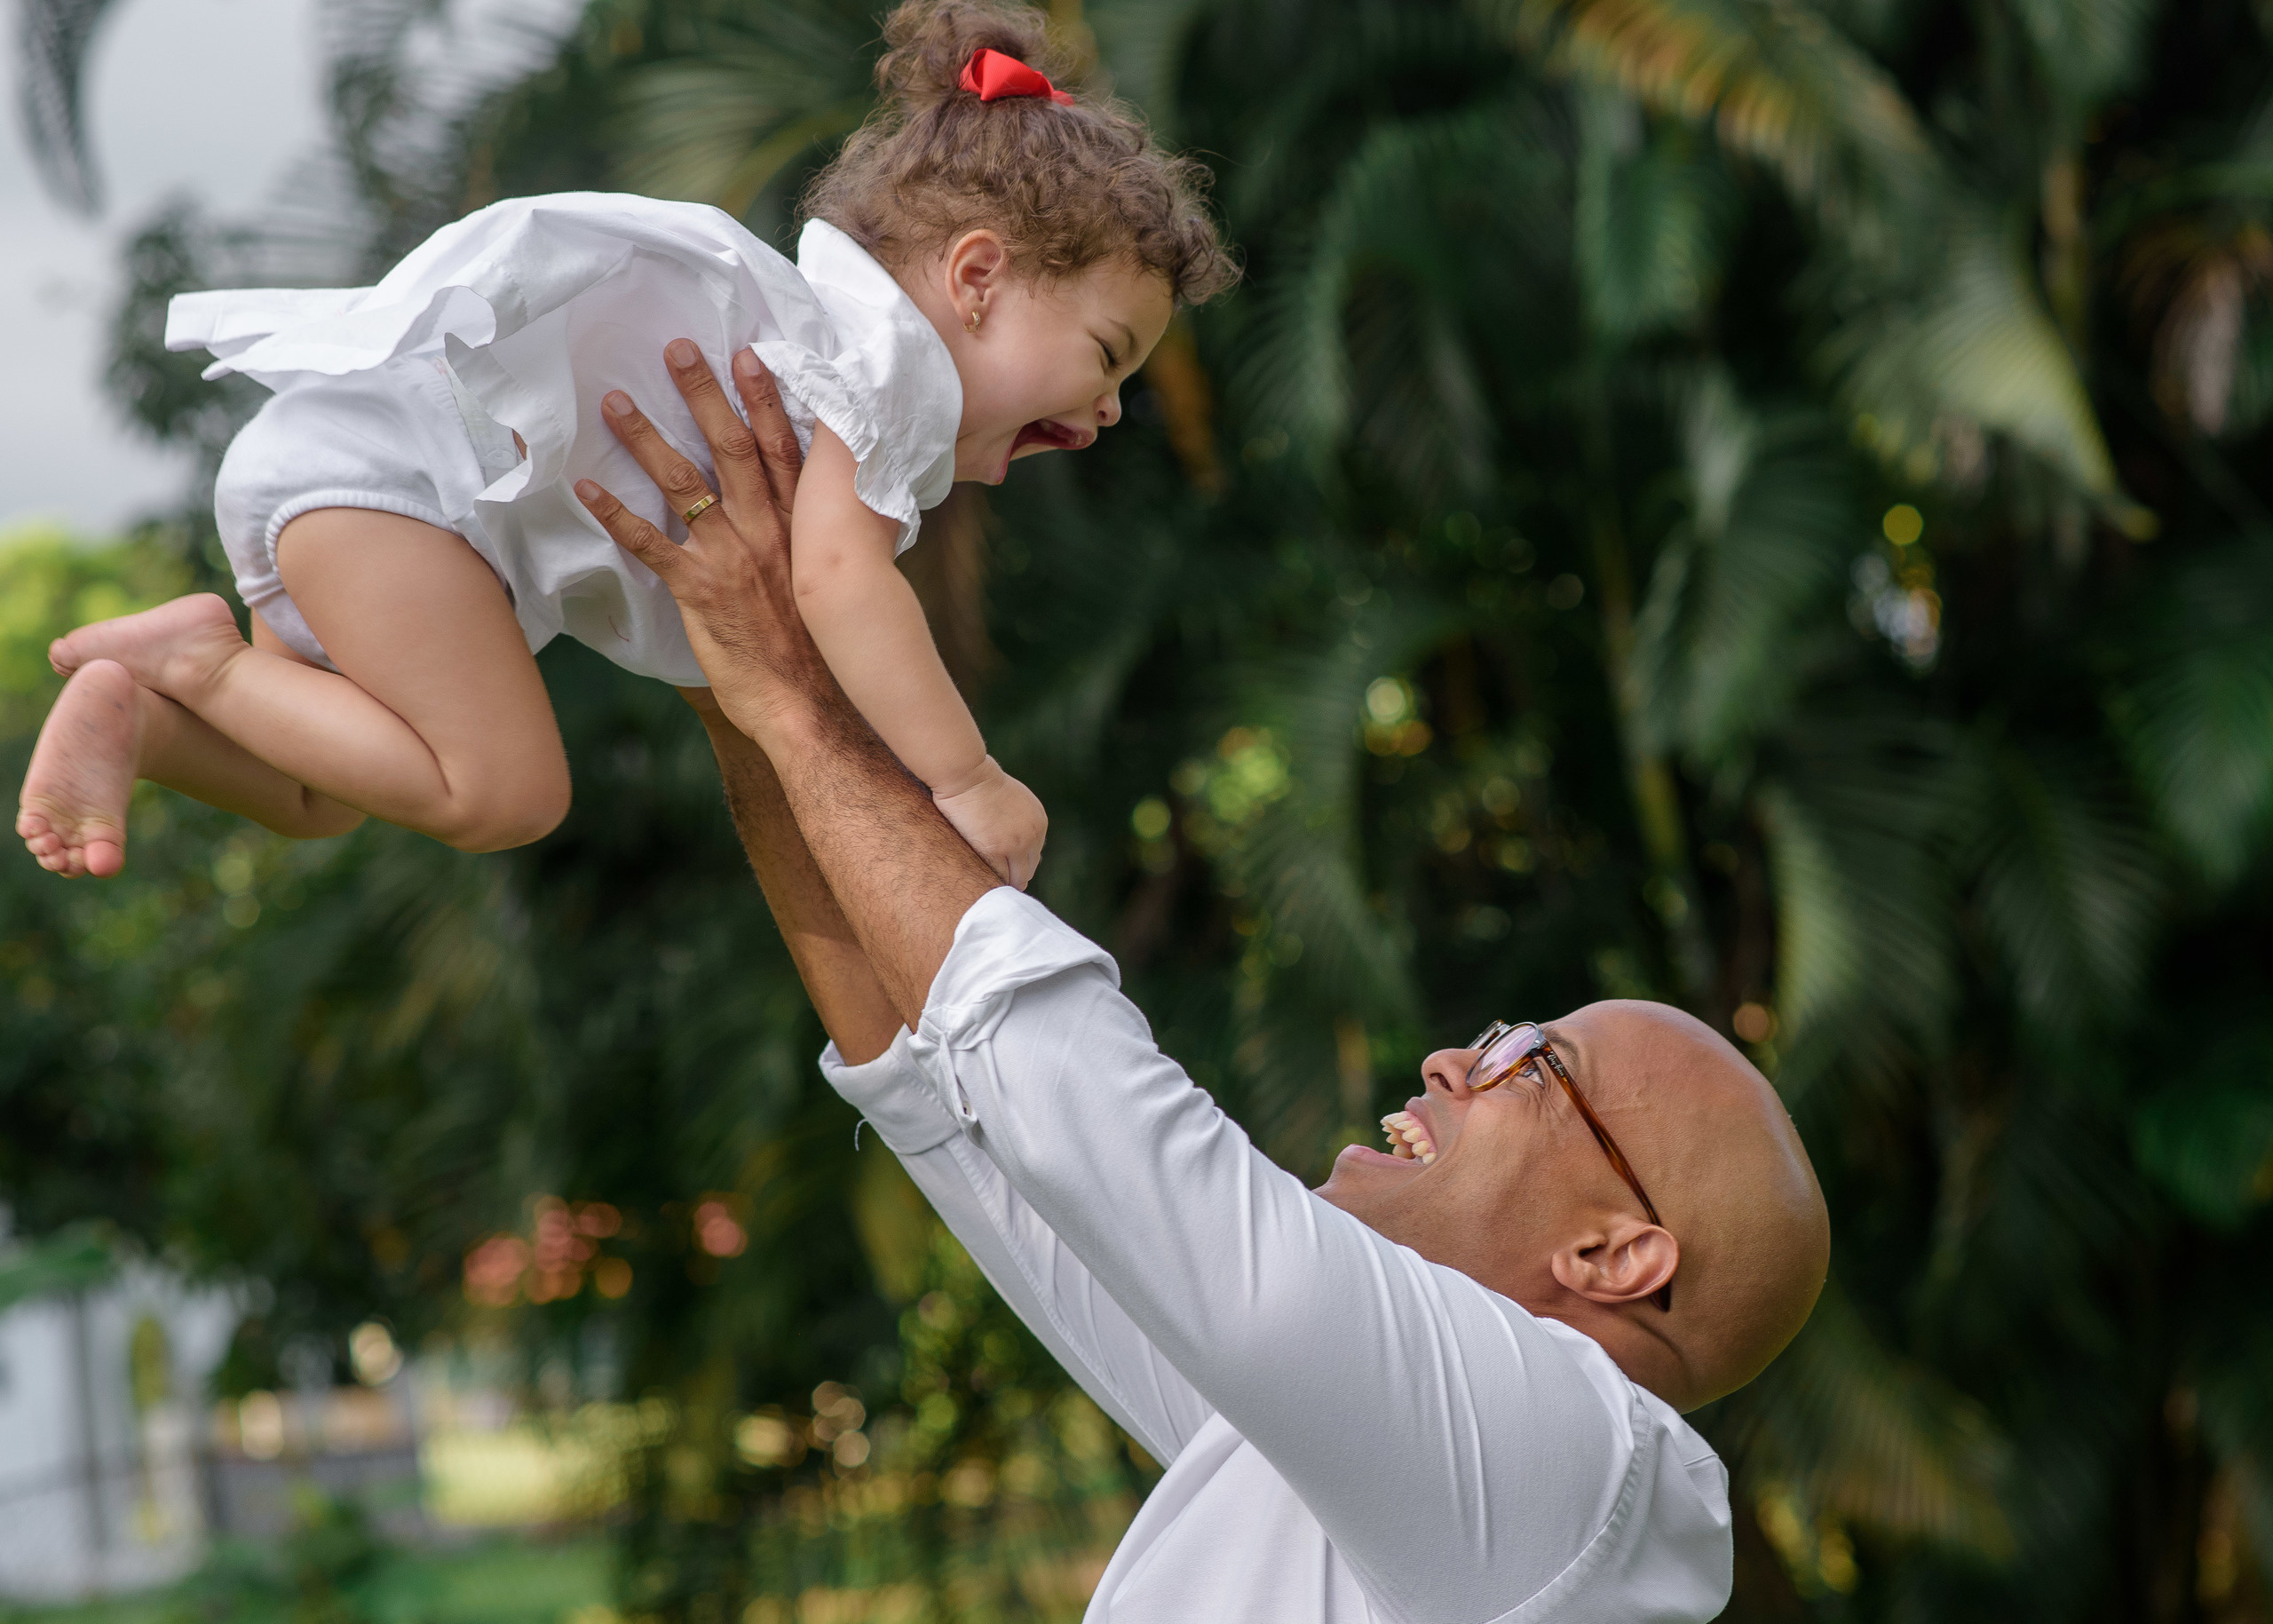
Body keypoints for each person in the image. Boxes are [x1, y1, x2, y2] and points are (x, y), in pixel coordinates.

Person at [571, 342, 1835, 1620]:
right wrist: (729, 666)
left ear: (1615, 1254)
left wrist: (786, 698)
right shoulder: (1367, 1454)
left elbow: (1079, 1092)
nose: (1457, 1057)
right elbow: (957, 1100)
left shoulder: (1578, 1462)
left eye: (1533, 1063)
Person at [16, 0, 1236, 887]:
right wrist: (965, 777)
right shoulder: (883, 371)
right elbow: (840, 582)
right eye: (1110, 351)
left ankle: (149, 711)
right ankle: (201, 661)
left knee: (322, 792)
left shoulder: (840, 358)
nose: (1116, 404)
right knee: (504, 793)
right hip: (400, 500)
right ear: (977, 279)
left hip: (378, 494)